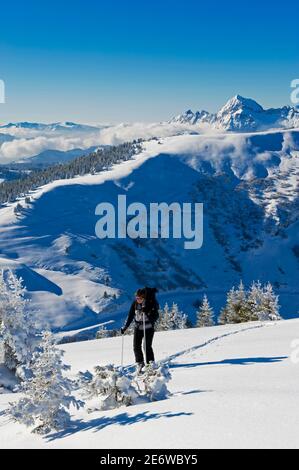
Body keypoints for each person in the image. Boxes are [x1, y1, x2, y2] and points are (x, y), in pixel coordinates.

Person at [121, 287, 159, 372]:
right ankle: (140, 363)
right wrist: (125, 327)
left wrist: (148, 312)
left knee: (147, 346)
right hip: (138, 328)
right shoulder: (135, 304)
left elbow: (155, 317)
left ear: (144, 297)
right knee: (136, 346)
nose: (138, 299)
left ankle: (150, 364)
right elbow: (130, 315)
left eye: (140, 298)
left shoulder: (150, 303)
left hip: (148, 328)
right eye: (136, 298)